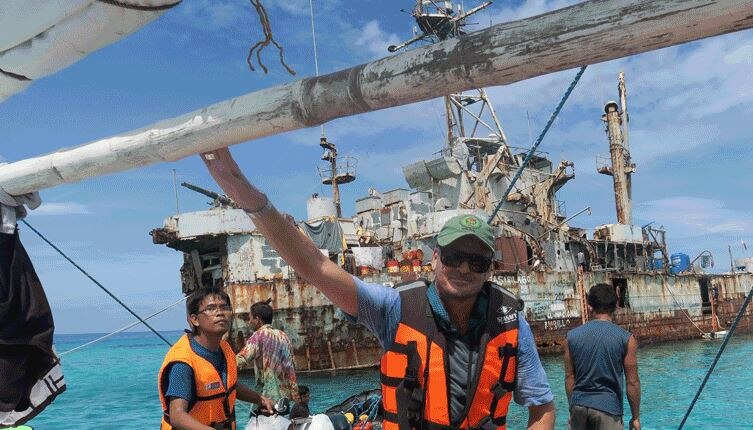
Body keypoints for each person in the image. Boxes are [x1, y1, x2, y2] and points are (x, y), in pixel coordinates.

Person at [201, 148, 556, 429]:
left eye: (477, 262)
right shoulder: (396, 308)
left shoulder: (509, 321)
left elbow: (542, 407)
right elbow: (315, 266)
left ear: (490, 269)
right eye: (454, 257)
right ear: (434, 258)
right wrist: (243, 192)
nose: (464, 268)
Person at [158, 287, 275, 430]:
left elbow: (229, 386)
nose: (220, 313)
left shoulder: (225, 349)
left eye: (224, 307)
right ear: (195, 319)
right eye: (211, 308)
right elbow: (177, 415)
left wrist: (260, 399)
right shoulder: (183, 362)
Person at [563, 283, 641, 430]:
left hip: (578, 407)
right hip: (608, 409)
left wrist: (572, 407)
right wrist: (635, 417)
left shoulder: (570, 338)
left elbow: (569, 377)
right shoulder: (626, 339)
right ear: (616, 305)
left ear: (589, 306)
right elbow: (632, 382)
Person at [236, 300, 300, 412]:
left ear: (258, 320)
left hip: (267, 401)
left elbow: (241, 360)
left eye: (250, 318)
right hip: (285, 401)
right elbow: (292, 365)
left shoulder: (258, 336)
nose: (249, 321)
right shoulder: (283, 336)